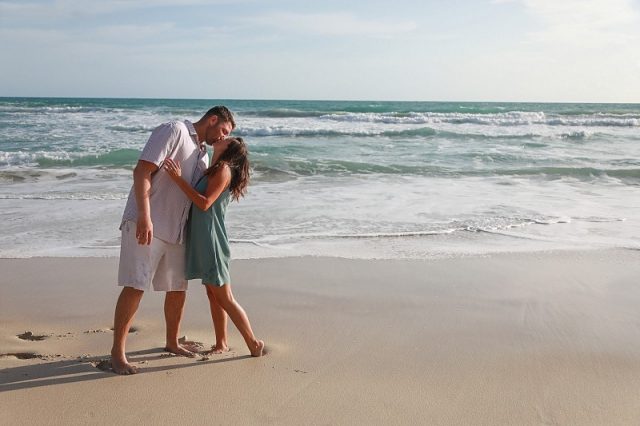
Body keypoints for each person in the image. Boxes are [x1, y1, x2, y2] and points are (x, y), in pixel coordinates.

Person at [111, 106, 236, 375]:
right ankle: (117, 353)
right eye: (224, 131)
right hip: (148, 224)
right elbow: (141, 172)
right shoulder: (174, 130)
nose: (222, 137)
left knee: (177, 288)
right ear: (213, 120)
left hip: (177, 231)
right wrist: (145, 216)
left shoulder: (204, 155)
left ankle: (171, 341)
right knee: (136, 285)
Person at [163, 136, 264, 357]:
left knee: (224, 296)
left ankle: (253, 343)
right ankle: (222, 343)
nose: (221, 137)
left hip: (212, 240)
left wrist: (177, 179)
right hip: (203, 239)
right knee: (213, 293)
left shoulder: (224, 170)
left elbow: (204, 203)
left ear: (229, 149)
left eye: (226, 138)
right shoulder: (213, 169)